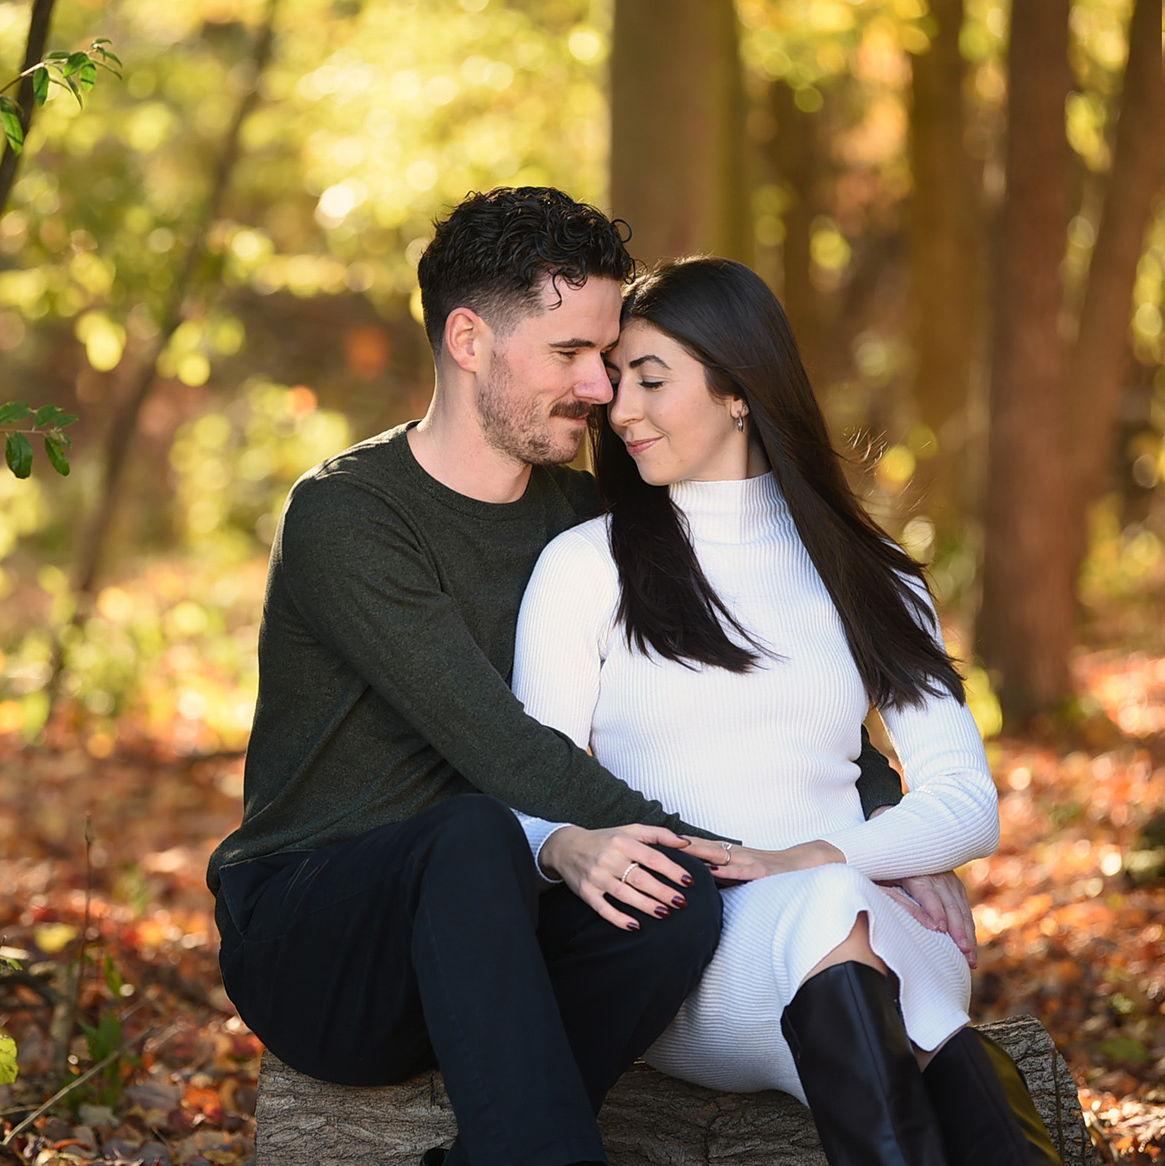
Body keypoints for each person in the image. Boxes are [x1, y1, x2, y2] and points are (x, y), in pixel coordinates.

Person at [206, 187, 957, 1166]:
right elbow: (502, 749)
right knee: (475, 832)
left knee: (668, 902)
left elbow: (771, 682)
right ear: (468, 340)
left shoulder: (584, 520)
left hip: (501, 931)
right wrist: (762, 860)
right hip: (323, 943)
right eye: (569, 354)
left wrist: (888, 836)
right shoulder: (349, 515)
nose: (601, 388)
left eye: (607, 356)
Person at [510, 256, 1061, 1166]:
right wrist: (567, 847)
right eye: (617, 381)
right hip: (698, 954)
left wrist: (821, 856)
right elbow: (528, 792)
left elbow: (967, 803)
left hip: (863, 920)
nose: (621, 409)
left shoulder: (869, 575)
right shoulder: (586, 569)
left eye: (651, 379)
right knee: (841, 924)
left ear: (738, 391)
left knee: (836, 905)